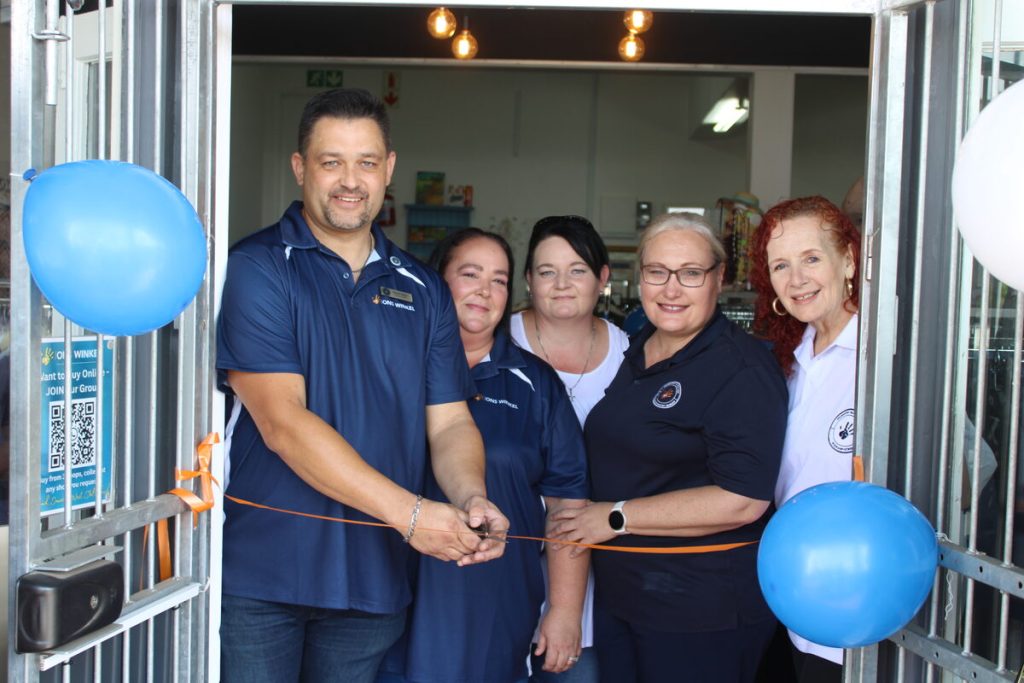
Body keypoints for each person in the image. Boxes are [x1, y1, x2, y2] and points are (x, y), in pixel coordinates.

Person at [216, 88, 508, 683]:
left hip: (374, 582)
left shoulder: (424, 290)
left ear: (389, 169)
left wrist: (470, 496)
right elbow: (283, 424)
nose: (351, 181)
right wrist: (413, 514)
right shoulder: (259, 268)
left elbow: (450, 421)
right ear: (300, 168)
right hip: (265, 576)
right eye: (332, 162)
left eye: (367, 163)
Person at [549, 213, 788, 683]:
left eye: (690, 273)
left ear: (719, 279)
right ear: (640, 279)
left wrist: (615, 516)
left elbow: (742, 499)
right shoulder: (637, 348)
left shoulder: (741, 370)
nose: (671, 288)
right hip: (626, 599)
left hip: (700, 612)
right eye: (657, 272)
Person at [380, 228, 590, 683]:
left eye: (499, 280)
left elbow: (567, 505)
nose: (484, 291)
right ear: (437, 282)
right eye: (470, 274)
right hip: (390, 588)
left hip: (493, 597)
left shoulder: (536, 384)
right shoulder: (391, 366)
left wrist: (566, 610)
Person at [511, 215, 631, 681]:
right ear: (528, 279)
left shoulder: (630, 356)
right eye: (546, 271)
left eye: (577, 269)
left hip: (591, 571)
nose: (561, 284)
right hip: (504, 559)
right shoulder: (498, 341)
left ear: (603, 279)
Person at [748, 195, 861, 681]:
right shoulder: (789, 360)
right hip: (799, 595)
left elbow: (965, 471)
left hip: (864, 598)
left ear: (849, 260)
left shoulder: (883, 356)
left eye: (811, 258)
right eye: (781, 265)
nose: (797, 279)